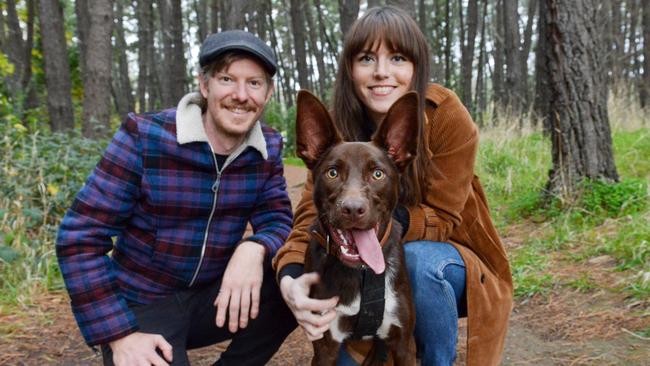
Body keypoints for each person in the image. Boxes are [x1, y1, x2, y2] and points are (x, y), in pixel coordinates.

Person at [273, 6, 513, 366]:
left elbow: (445, 218)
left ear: (416, 67)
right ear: (350, 70)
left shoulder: (444, 114)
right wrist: (292, 276)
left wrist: (373, 217)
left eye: (397, 57)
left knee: (419, 264)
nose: (382, 72)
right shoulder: (334, 135)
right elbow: (310, 214)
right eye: (367, 58)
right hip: (359, 261)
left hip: (445, 261)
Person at [57, 30, 297, 366]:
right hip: (143, 304)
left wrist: (253, 248)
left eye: (254, 83)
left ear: (268, 92)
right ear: (205, 85)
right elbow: (79, 238)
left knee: (295, 283)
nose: (241, 95)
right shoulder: (144, 136)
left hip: (214, 298)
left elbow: (279, 220)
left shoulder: (267, 147)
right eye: (227, 79)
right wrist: (119, 334)